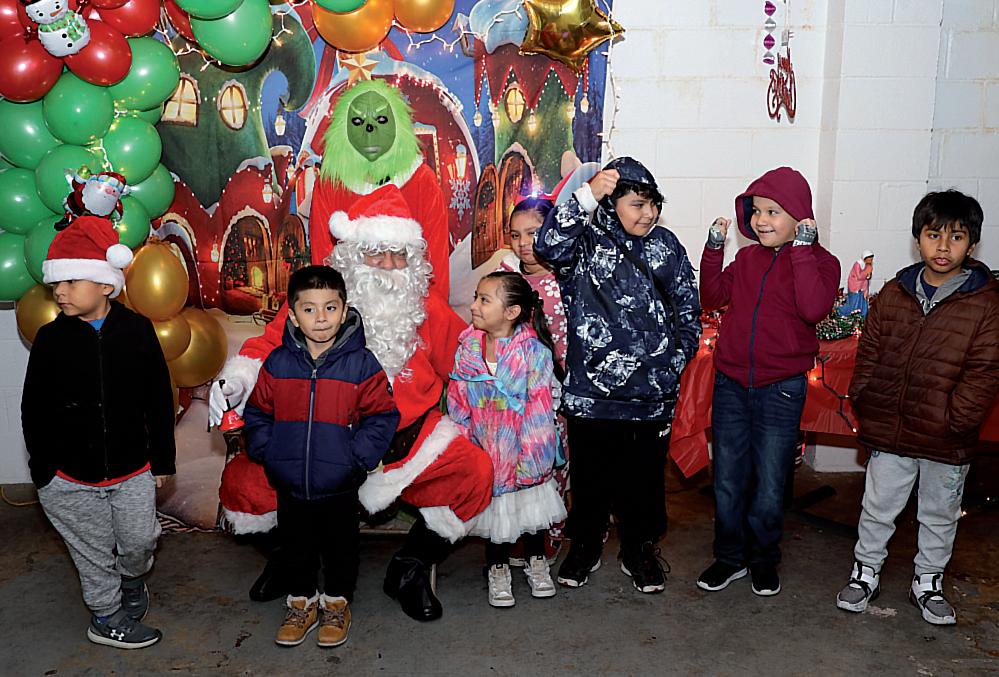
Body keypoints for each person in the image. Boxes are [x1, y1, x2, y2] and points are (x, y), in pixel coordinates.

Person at [213, 185, 493, 622]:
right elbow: (265, 348)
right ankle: (290, 559)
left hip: (406, 447)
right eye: (376, 253)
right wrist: (237, 379)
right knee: (242, 485)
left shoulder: (426, 308)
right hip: (317, 447)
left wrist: (512, 356)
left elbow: (468, 356)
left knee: (474, 472)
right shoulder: (319, 307)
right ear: (352, 257)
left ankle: (410, 566)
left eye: (399, 254)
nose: (389, 266)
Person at [534, 157, 702, 595]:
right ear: (611, 203)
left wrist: (675, 359)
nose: (648, 214)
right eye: (637, 204)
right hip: (592, 394)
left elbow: (688, 306)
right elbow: (547, 246)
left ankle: (638, 549)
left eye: (653, 204)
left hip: (651, 395)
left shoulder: (665, 245)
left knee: (644, 481)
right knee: (591, 478)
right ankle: (585, 546)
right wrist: (587, 195)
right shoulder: (583, 243)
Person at [835, 190, 999, 625]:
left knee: (939, 515)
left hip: (946, 439)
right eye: (933, 235)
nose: (943, 247)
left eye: (956, 237)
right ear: (917, 239)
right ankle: (865, 571)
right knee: (878, 507)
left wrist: (955, 421)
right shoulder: (895, 292)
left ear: (972, 244)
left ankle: (927, 581)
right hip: (891, 430)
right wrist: (866, 396)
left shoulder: (986, 303)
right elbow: (869, 351)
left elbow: (985, 371)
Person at [22, 215, 176, 649]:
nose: (60, 291)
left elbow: (158, 399)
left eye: (72, 281)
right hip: (69, 477)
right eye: (57, 283)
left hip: (132, 469)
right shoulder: (50, 339)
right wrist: (45, 471)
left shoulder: (138, 330)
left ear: (106, 285)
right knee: (91, 551)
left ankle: (131, 579)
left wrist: (163, 460)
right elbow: (34, 408)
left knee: (139, 541)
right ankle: (106, 615)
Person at [697, 166, 840, 597]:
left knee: (771, 480)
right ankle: (729, 557)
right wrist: (714, 249)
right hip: (731, 382)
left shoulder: (822, 263)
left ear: (800, 217)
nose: (761, 220)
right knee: (727, 477)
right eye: (757, 210)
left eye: (773, 212)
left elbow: (813, 309)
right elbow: (712, 297)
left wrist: (802, 251)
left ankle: (762, 559)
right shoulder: (747, 259)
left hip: (781, 388)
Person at [242, 265, 399, 647]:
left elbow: (382, 416)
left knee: (340, 549)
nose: (321, 318)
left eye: (330, 307)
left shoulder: (362, 364)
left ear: (343, 311)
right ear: (294, 315)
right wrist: (269, 451)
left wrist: (357, 458)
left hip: (339, 483)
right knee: (296, 547)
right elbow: (258, 413)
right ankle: (301, 604)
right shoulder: (278, 363)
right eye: (309, 309)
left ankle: (336, 605)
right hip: (290, 483)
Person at [448, 271, 567, 607]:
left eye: (484, 300)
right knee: (497, 516)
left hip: (526, 452)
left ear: (511, 312)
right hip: (485, 453)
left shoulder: (534, 352)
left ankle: (536, 561)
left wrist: (532, 460)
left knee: (530, 513)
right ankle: (497, 567)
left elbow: (539, 409)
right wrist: (467, 449)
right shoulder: (468, 349)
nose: (474, 305)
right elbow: (458, 401)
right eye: (476, 297)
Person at [498, 195, 569, 563]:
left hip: (560, 393)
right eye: (515, 235)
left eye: (534, 233)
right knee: (520, 464)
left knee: (555, 463)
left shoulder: (568, 278)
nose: (524, 243)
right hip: (516, 394)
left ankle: (552, 531)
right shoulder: (506, 281)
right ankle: (521, 532)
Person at [841, 250, 875, 316]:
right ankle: (841, 312)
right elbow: (859, 276)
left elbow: (867, 277)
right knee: (854, 304)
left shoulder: (868, 266)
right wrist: (866, 272)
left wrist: (869, 274)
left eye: (871, 259)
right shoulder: (857, 264)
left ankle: (862, 316)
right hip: (855, 287)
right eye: (869, 259)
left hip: (863, 287)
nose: (871, 261)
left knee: (863, 303)